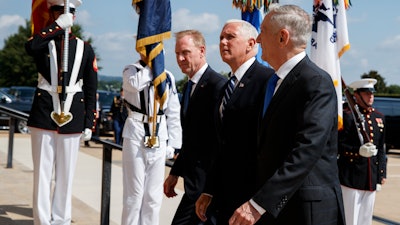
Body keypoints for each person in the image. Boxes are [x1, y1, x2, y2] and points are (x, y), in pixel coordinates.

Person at [218, 4, 346, 225]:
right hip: (275, 206)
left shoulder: (315, 82)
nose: (257, 40)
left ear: (282, 37)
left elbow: (306, 150)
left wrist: (259, 204)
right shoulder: (274, 82)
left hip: (305, 210)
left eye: (263, 32)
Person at [24, 0, 98, 224]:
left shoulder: (85, 48)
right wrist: (56, 27)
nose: (63, 15)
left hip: (73, 114)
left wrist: (88, 123)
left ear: (74, 16)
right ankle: (42, 221)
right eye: (58, 11)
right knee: (43, 174)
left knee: (65, 175)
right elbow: (30, 47)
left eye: (67, 12)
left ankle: (61, 220)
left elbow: (91, 87)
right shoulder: (44, 42)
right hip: (45, 112)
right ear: (52, 13)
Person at [195, 19, 274, 224]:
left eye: (230, 37)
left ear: (251, 44)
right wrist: (210, 190)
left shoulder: (267, 81)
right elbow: (222, 143)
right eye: (221, 37)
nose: (222, 42)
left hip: (251, 201)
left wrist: (259, 202)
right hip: (225, 197)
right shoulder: (227, 85)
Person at [163, 30, 226, 225]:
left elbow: (219, 141)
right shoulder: (189, 86)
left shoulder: (218, 86)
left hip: (208, 187)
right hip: (193, 184)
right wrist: (175, 172)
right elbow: (190, 138)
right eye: (177, 54)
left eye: (185, 52)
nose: (180, 58)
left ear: (202, 51)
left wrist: (210, 189)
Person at [121, 53, 182, 225]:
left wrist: (174, 143)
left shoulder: (168, 77)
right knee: (134, 195)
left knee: (153, 197)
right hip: (135, 133)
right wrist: (153, 68)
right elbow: (135, 85)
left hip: (159, 136)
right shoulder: (131, 70)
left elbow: (173, 112)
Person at [338, 78, 387, 225]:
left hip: (370, 178)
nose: (371, 96)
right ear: (356, 95)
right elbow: (337, 145)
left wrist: (381, 174)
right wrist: (357, 151)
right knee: (350, 219)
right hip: (351, 177)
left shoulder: (379, 117)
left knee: (365, 219)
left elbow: (381, 149)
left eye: (372, 93)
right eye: (366, 93)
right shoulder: (347, 116)